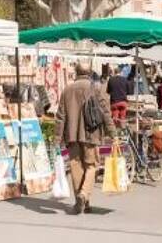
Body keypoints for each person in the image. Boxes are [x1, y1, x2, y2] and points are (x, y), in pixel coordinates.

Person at [54, 59, 117, 215]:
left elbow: (60, 116)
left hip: (72, 135)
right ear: (89, 73)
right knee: (91, 166)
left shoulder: (67, 90)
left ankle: (80, 201)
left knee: (76, 166)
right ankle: (84, 195)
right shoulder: (96, 88)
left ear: (76, 72)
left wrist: (56, 138)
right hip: (91, 133)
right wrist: (113, 133)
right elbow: (106, 113)